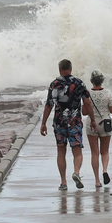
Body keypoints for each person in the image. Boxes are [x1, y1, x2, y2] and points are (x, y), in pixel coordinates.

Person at [41, 59, 96, 190]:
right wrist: (93, 119)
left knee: (61, 151)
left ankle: (63, 182)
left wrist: (43, 123)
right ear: (71, 69)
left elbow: (49, 105)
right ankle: (76, 172)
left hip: (59, 123)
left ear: (59, 69)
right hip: (75, 123)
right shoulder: (79, 83)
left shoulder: (54, 84)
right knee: (77, 151)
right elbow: (87, 103)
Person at [84, 70, 112, 187]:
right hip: (105, 123)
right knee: (105, 151)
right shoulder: (107, 93)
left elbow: (83, 111)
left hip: (91, 124)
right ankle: (105, 170)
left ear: (91, 81)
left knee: (94, 153)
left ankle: (97, 181)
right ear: (102, 81)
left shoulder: (87, 93)